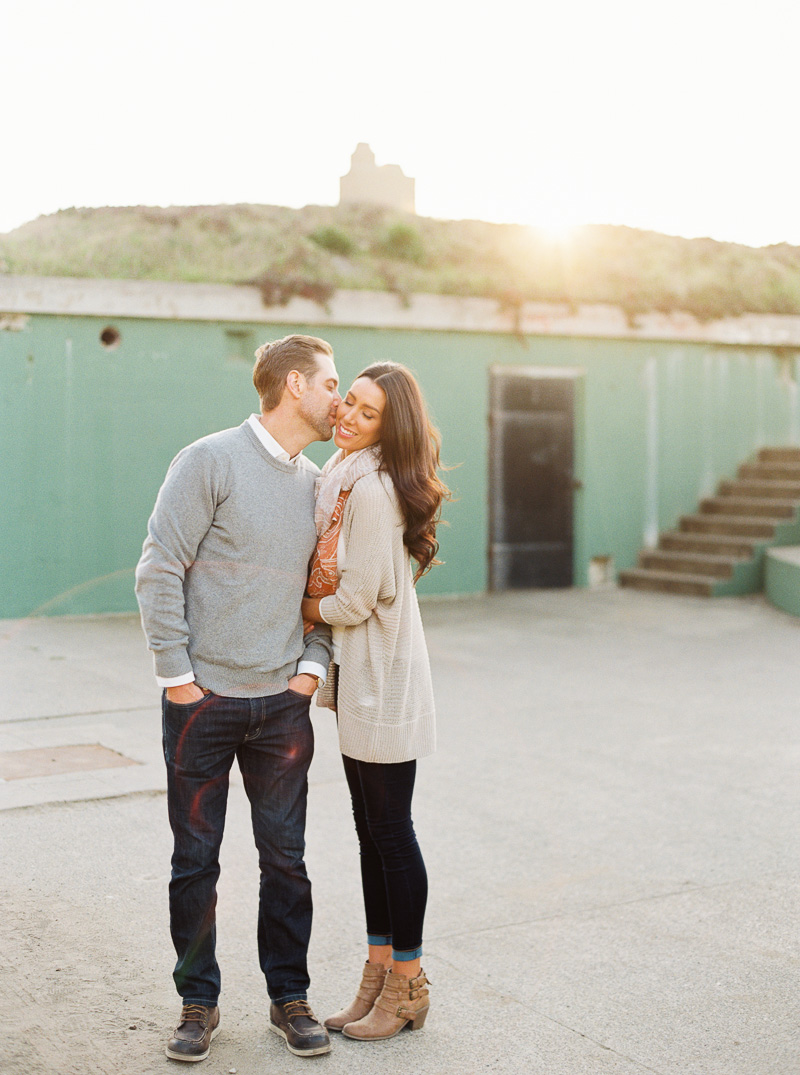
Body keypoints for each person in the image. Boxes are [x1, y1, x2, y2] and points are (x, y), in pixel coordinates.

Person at [135, 334, 340, 1062]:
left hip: (281, 706)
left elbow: (324, 594)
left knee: (286, 859)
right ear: (293, 385)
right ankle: (199, 1001)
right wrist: (178, 676)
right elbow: (159, 566)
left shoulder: (318, 482)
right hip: (203, 704)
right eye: (330, 383)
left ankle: (290, 996)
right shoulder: (209, 459)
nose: (338, 398)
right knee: (196, 860)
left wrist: (311, 667)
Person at [301, 361, 450, 1042]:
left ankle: (409, 983)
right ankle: (378, 970)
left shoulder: (370, 489)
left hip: (383, 679)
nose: (347, 416)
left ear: (390, 429)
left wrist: (297, 604)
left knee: (391, 832)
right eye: (348, 402)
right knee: (372, 831)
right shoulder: (343, 475)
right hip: (363, 677)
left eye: (366, 413)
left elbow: (353, 599)